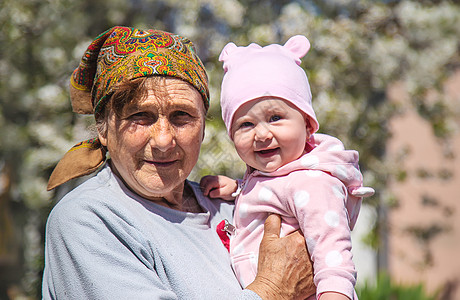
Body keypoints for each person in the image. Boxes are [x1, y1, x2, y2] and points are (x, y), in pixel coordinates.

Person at [42, 26, 316, 299]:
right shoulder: (89, 218)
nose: (163, 140)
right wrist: (273, 290)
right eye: (140, 115)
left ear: (203, 128)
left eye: (182, 116)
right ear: (103, 129)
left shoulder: (233, 205)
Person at [200, 36, 375, 300]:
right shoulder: (276, 175)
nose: (261, 134)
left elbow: (334, 258)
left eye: (275, 118)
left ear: (307, 124)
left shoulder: (314, 184)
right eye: (246, 124)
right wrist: (237, 189)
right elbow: (270, 193)